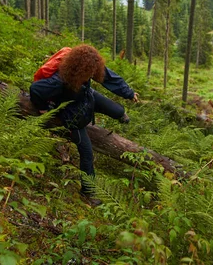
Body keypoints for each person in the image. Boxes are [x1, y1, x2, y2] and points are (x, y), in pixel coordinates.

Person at [29, 44, 139, 206]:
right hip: (72, 113)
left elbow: (108, 77)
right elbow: (35, 89)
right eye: (89, 73)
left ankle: (120, 114)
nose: (92, 75)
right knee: (87, 153)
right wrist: (43, 109)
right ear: (79, 70)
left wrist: (129, 93)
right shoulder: (59, 81)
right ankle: (87, 193)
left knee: (117, 110)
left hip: (85, 96)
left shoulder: (88, 68)